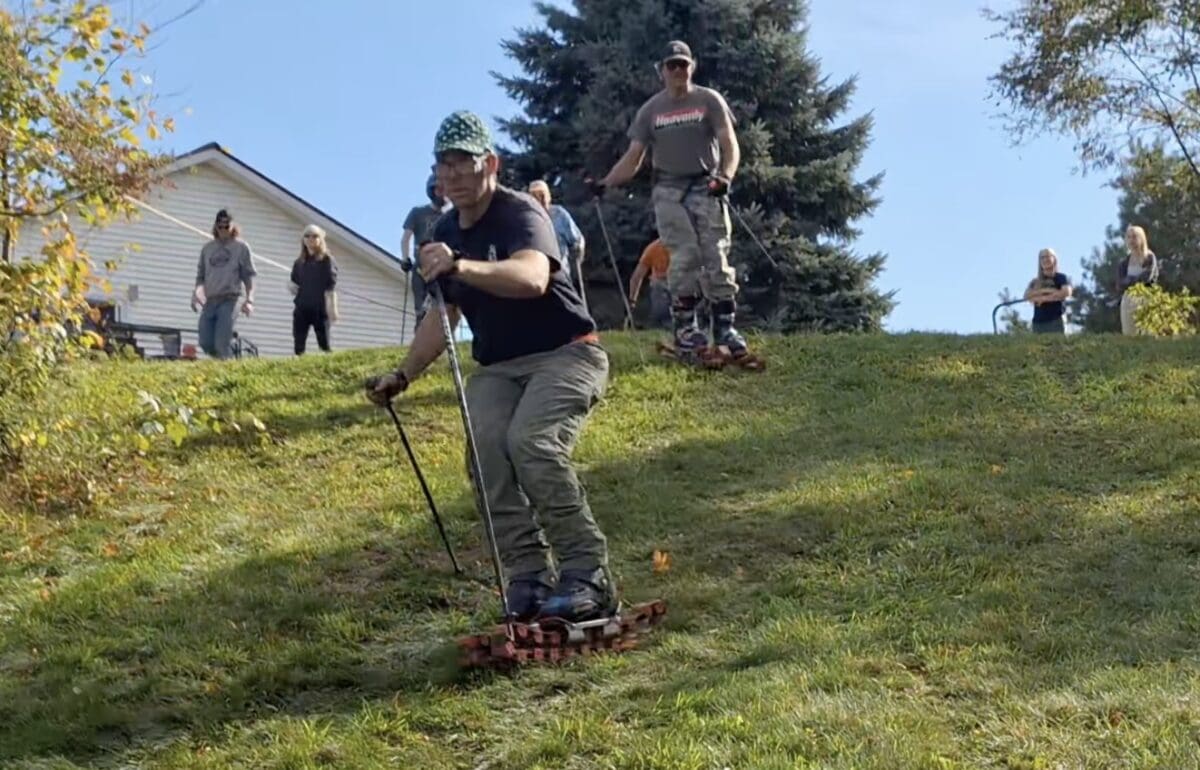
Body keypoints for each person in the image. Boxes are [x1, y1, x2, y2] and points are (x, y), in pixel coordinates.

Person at [366, 110, 616, 624]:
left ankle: (588, 574)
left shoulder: (519, 212)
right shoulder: (443, 227)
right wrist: (404, 374)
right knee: (486, 456)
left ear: (491, 164)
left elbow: (531, 279)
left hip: (566, 352)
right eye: (443, 165)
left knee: (533, 444)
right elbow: (444, 314)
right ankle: (528, 577)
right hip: (499, 366)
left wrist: (461, 264)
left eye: (464, 162)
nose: (452, 175)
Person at [595, 40, 751, 362]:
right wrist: (605, 183)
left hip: (705, 182)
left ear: (692, 66)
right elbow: (634, 157)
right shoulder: (651, 111)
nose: (679, 70)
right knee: (684, 253)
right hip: (667, 188)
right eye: (672, 65)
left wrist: (725, 176)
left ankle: (725, 328)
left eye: (684, 64)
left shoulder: (709, 100)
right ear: (662, 70)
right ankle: (686, 329)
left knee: (715, 253)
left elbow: (729, 143)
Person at [191, 209, 256, 359]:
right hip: (211, 300)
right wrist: (195, 295)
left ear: (233, 227)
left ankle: (226, 363)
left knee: (221, 341)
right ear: (215, 227)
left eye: (227, 226)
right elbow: (200, 276)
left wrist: (250, 300)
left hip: (230, 299)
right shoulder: (207, 249)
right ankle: (223, 359)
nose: (223, 230)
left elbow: (249, 275)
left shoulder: (241, 247)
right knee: (205, 341)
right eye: (220, 226)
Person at [401, 175, 447, 325]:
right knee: (420, 309)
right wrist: (405, 258)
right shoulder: (417, 213)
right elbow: (406, 238)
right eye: (440, 189)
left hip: (441, 270)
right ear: (432, 190)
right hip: (421, 268)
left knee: (441, 307)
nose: (443, 193)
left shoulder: (450, 217)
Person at [527, 180, 586, 296]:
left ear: (549, 197)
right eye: (535, 195)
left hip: (560, 277)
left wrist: (579, 252)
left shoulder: (559, 214)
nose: (540, 199)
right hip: (536, 279)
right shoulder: (527, 218)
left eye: (542, 194)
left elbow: (578, 240)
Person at [289, 224, 340, 354]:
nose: (311, 239)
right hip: (302, 308)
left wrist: (332, 309)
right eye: (307, 236)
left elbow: (331, 287)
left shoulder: (327, 260)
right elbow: (294, 284)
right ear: (303, 240)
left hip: (320, 309)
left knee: (324, 345)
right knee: (298, 346)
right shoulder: (299, 262)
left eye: (315, 236)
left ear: (321, 239)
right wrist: (290, 286)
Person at [1117, 225, 1159, 336]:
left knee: (1148, 332)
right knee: (1129, 333)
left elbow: (1147, 277)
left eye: (1134, 237)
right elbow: (1120, 283)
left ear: (1141, 238)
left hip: (1146, 297)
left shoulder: (1149, 257)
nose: (1131, 240)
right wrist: (1133, 281)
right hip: (1128, 300)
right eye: (1129, 237)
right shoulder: (1124, 263)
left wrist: (1130, 280)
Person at [1023, 248, 1072, 334]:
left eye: (1048, 256)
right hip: (1038, 322)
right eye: (1042, 257)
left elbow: (1065, 292)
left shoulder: (1060, 277)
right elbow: (1027, 296)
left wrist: (1041, 298)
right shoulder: (1035, 282)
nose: (1045, 260)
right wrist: (1050, 291)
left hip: (1056, 319)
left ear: (1054, 259)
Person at [629, 237, 672, 329]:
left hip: (664, 284)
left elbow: (636, 277)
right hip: (666, 284)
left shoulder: (653, 247)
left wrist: (632, 300)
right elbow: (637, 276)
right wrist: (633, 300)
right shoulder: (684, 247)